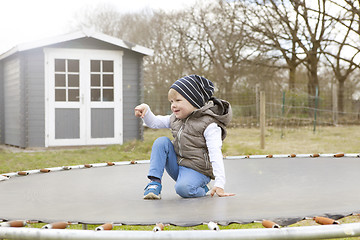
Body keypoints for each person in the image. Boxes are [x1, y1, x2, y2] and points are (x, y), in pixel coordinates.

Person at [134, 74, 235, 200]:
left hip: (198, 171)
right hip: (178, 166)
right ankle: (154, 183)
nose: (173, 105)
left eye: (178, 101)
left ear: (194, 101)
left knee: (183, 189)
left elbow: (215, 153)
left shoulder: (209, 125)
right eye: (171, 102)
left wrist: (219, 184)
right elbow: (154, 122)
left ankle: (203, 188)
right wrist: (146, 110)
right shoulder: (176, 118)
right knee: (161, 142)